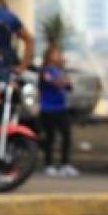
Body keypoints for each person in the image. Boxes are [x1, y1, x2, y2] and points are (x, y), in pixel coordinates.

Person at [38, 45, 78, 177]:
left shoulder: (60, 71)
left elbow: (69, 85)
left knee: (66, 135)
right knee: (50, 137)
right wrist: (62, 81)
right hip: (48, 108)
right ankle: (48, 164)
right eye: (56, 54)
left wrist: (64, 80)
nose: (59, 56)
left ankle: (65, 164)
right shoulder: (45, 71)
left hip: (61, 108)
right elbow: (55, 83)